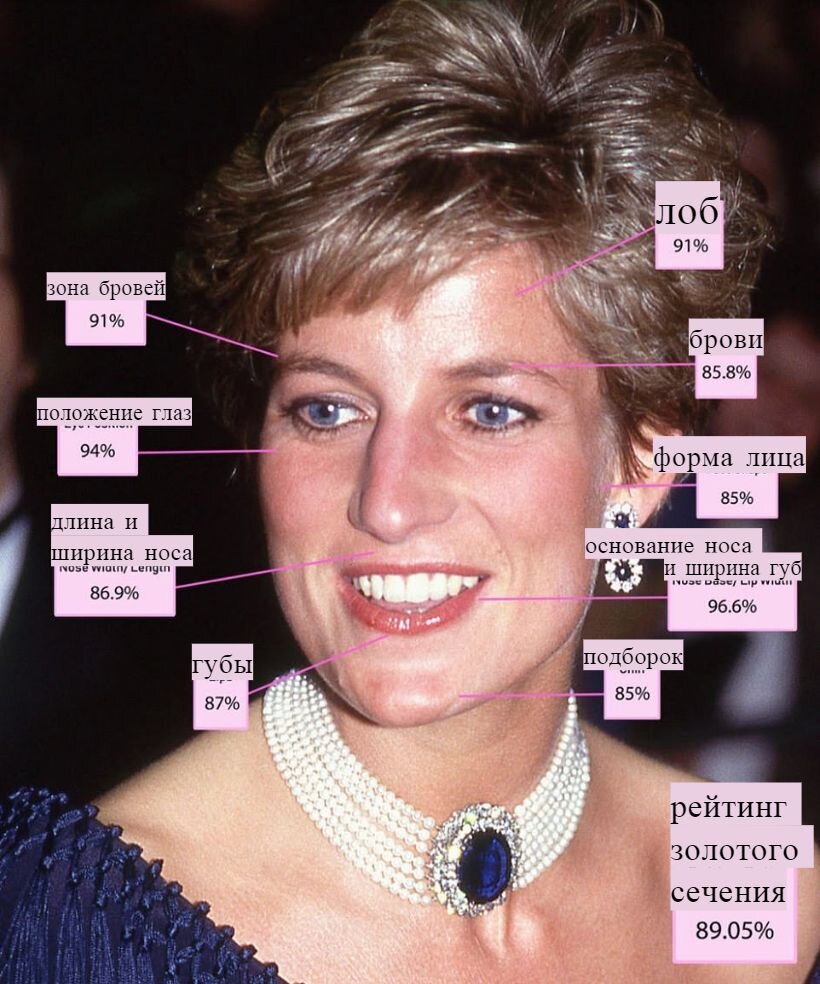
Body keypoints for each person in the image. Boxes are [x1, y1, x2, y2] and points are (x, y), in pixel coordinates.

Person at [1, 1, 817, 982]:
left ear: (640, 468)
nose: (386, 502)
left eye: (490, 411)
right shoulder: (71, 926)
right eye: (326, 409)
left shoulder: (761, 888)